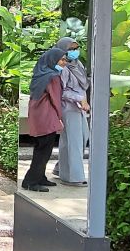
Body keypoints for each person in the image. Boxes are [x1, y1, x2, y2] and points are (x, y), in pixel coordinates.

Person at [22, 45, 66, 192]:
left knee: (40, 148)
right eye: (61, 60)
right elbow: (56, 99)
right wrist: (60, 117)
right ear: (53, 60)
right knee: (44, 150)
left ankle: (39, 177)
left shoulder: (39, 74)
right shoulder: (53, 77)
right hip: (47, 116)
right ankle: (31, 181)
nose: (64, 63)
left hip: (37, 116)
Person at [54, 37, 90, 186]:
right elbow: (61, 91)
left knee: (82, 137)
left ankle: (61, 168)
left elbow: (83, 86)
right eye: (71, 49)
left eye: (76, 48)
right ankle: (74, 177)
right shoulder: (62, 68)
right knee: (73, 141)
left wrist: (83, 100)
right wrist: (79, 98)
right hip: (68, 108)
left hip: (80, 108)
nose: (74, 52)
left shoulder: (78, 64)